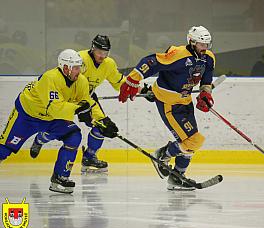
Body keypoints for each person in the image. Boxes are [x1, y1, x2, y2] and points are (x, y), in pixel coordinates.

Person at [0, 49, 117, 193]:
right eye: (75, 67)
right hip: (26, 116)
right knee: (4, 150)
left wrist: (103, 120)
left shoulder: (80, 80)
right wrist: (77, 109)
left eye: (80, 67)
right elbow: (54, 108)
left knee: (73, 135)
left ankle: (60, 177)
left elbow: (88, 101)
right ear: (65, 67)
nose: (79, 71)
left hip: (51, 120)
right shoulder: (50, 78)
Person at [118, 26, 215, 191]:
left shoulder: (209, 58)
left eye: (207, 44)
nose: (204, 48)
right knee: (193, 140)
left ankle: (177, 177)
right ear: (191, 42)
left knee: (191, 142)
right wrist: (132, 80)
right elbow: (151, 61)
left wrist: (206, 94)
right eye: (201, 44)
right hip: (168, 102)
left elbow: (206, 80)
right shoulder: (178, 54)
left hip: (185, 102)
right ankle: (163, 155)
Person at [30, 35, 122, 173]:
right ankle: (40, 139)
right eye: (99, 52)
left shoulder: (109, 64)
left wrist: (138, 88)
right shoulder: (80, 59)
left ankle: (89, 157)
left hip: (87, 100)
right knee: (57, 130)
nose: (102, 56)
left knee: (103, 125)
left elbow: (118, 82)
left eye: (105, 53)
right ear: (93, 48)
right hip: (65, 100)